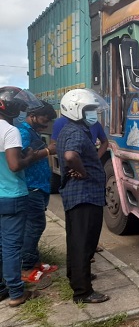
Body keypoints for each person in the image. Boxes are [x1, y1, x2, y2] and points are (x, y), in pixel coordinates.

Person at [56, 88, 110, 304]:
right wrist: (85, 172)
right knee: (83, 243)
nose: (93, 114)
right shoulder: (76, 133)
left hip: (81, 195)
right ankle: (83, 292)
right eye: (89, 110)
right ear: (75, 110)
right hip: (83, 195)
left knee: (77, 241)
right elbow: (70, 155)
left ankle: (77, 276)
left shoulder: (73, 130)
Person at [0, 86, 39, 307]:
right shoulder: (9, 131)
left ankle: (1, 288)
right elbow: (15, 165)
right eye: (21, 107)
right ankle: (16, 293)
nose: (23, 112)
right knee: (12, 246)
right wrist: (30, 157)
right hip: (12, 195)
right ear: (12, 108)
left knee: (0, 245)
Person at [17, 101, 59, 285]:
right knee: (34, 226)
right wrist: (47, 151)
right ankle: (26, 268)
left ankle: (35, 262)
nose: (46, 122)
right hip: (31, 186)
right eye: (44, 118)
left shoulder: (33, 131)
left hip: (40, 186)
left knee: (36, 225)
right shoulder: (23, 132)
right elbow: (20, 159)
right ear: (32, 115)